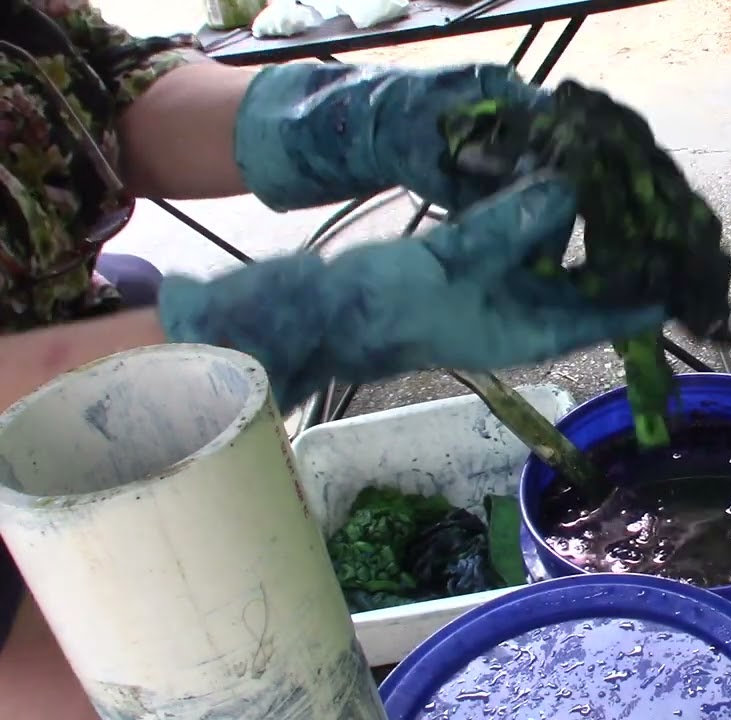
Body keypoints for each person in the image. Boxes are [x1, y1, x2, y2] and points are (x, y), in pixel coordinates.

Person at [0, 1, 668, 716]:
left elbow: (97, 83)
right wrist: (300, 322)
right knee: (168, 676)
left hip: (79, 312)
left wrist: (356, 119)